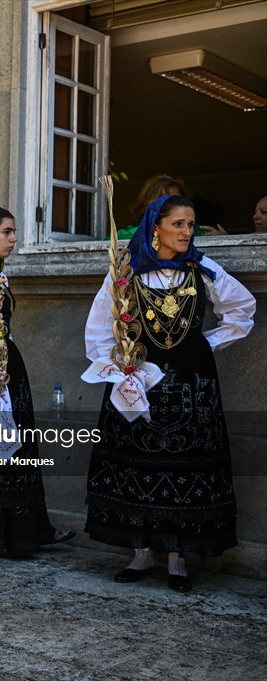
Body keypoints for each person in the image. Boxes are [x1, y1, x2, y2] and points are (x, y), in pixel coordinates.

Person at [83, 194, 255, 593]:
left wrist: (204, 344)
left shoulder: (202, 268)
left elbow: (242, 310)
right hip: (139, 376)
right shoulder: (126, 271)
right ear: (155, 227)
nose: (185, 232)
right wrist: (117, 370)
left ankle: (178, 559)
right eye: (178, 224)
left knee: (187, 463)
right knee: (138, 460)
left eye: (191, 225)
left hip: (191, 383)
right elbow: (98, 327)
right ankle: (141, 554)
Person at [0, 207, 74, 555]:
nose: (14, 238)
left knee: (13, 451)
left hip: (4, 372)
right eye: (6, 231)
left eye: (15, 231)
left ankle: (23, 532)